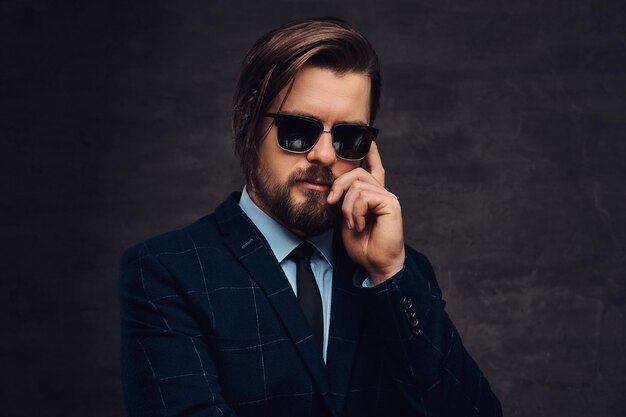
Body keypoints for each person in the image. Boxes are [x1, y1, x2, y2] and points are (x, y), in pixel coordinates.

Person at [119, 18, 502, 417]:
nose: (324, 155)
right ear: (244, 128)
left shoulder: (403, 275)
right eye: (297, 130)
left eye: (348, 137)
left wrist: (389, 273)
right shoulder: (165, 271)